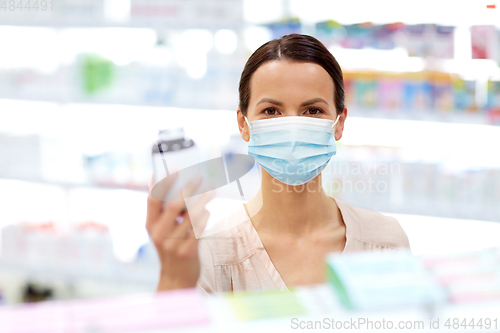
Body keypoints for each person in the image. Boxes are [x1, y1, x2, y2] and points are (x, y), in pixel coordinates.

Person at [146, 33, 411, 293]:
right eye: (271, 111)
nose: (292, 128)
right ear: (243, 124)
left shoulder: (385, 241)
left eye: (313, 111)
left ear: (339, 123)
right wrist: (173, 279)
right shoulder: (209, 258)